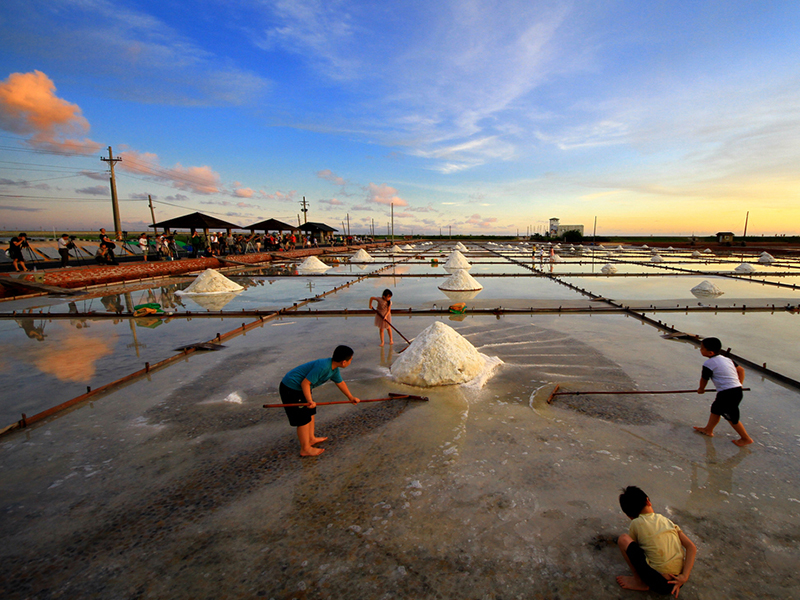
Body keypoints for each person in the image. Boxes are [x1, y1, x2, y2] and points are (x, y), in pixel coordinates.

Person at [279, 345, 360, 457]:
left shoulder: (334, 369)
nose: (351, 361)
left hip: (302, 389)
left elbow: (340, 383)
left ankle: (311, 438)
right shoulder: (323, 367)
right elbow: (305, 383)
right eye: (351, 359)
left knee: (310, 413)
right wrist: (309, 400)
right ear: (344, 362)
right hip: (291, 387)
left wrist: (350, 397)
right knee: (302, 419)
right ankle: (305, 448)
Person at [616, 486, 697, 597]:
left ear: (630, 516)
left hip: (659, 583)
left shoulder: (636, 523)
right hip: (678, 581)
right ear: (648, 501)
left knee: (623, 539)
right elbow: (691, 547)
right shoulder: (667, 521)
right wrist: (684, 576)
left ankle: (639, 581)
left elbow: (635, 549)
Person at [693, 337, 754, 446]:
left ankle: (745, 438)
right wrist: (739, 384)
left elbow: (704, 379)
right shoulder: (727, 359)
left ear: (710, 352)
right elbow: (741, 370)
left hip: (728, 393)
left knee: (731, 416)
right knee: (716, 409)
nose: (700, 350)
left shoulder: (709, 364)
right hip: (735, 391)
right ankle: (708, 429)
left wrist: (701, 389)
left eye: (702, 348)